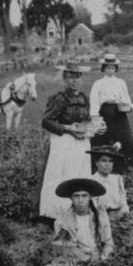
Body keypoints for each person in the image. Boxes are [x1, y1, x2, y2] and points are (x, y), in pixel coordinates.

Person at [27, 177, 114, 266]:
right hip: (73, 262)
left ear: (90, 197)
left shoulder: (99, 215)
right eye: (76, 196)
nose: (80, 200)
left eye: (84, 196)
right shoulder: (62, 221)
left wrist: (104, 259)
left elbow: (108, 242)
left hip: (97, 260)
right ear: (71, 198)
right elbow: (62, 248)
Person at [39, 60, 94, 221]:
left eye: (77, 76)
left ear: (81, 78)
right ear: (65, 78)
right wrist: (69, 129)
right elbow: (46, 121)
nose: (75, 80)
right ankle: (55, 214)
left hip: (81, 143)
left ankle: (78, 211)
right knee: (61, 175)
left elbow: (88, 120)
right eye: (71, 77)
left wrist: (95, 127)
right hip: (63, 143)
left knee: (80, 174)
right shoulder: (60, 98)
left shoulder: (85, 98)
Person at [89, 53, 133, 171]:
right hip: (105, 113)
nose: (110, 70)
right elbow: (94, 102)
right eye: (108, 68)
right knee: (102, 139)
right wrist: (95, 118)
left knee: (126, 138)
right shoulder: (98, 83)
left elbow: (126, 99)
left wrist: (129, 106)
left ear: (115, 68)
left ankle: (127, 166)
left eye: (112, 68)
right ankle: (101, 167)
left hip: (119, 114)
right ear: (104, 69)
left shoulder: (121, 82)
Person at [86, 146, 130, 221]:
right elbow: (93, 204)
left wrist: (123, 212)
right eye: (104, 161)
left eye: (110, 161)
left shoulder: (117, 178)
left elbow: (123, 200)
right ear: (97, 163)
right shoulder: (92, 180)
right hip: (100, 218)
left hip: (119, 216)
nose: (107, 164)